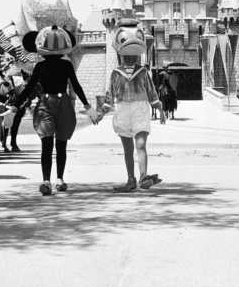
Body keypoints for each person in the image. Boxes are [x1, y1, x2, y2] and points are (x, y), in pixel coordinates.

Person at [13, 25, 97, 195]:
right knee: (47, 142)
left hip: (62, 105)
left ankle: (59, 178)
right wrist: (16, 105)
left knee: (61, 143)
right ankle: (46, 180)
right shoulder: (41, 67)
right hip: (46, 105)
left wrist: (88, 106)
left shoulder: (65, 65)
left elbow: (76, 86)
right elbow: (29, 88)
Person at [96, 19, 165, 192]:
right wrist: (101, 113)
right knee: (128, 149)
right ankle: (131, 179)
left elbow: (152, 93)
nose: (131, 56)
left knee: (140, 145)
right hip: (123, 110)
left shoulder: (142, 72)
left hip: (140, 109)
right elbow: (110, 97)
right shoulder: (115, 74)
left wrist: (160, 109)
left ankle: (143, 177)